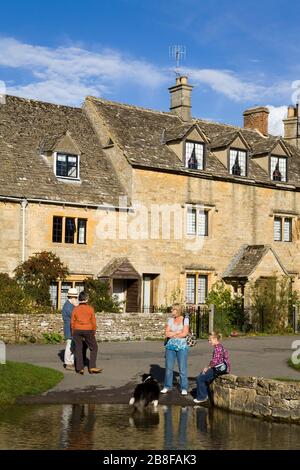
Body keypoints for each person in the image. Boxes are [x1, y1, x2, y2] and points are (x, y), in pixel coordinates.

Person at [194, 331, 231, 404]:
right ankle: (205, 393)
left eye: (210, 340)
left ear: (215, 339)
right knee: (203, 374)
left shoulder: (217, 348)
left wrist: (207, 367)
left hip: (218, 370)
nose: (209, 341)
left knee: (200, 378)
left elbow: (215, 362)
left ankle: (202, 397)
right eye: (208, 340)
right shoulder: (220, 346)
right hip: (221, 368)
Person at [71, 291, 102, 375]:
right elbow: (93, 322)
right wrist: (93, 331)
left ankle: (80, 368)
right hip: (88, 329)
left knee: (78, 348)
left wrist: (73, 331)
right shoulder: (90, 308)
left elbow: (72, 321)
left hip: (77, 330)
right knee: (94, 347)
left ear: (79, 299)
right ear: (87, 299)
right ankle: (92, 366)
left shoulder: (75, 309)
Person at [161, 303, 189, 396]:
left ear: (178, 310)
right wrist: (177, 333)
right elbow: (167, 333)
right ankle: (167, 386)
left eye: (173, 310)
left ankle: (184, 387)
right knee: (169, 368)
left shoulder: (185, 319)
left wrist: (173, 333)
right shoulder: (170, 320)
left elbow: (185, 333)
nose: (171, 311)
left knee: (182, 369)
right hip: (170, 346)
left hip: (182, 347)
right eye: (172, 310)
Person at [61, 287, 78, 371]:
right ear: (71, 297)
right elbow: (75, 316)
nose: (76, 299)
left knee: (72, 346)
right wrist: (77, 306)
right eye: (75, 297)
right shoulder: (68, 306)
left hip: (72, 328)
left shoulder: (70, 305)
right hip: (69, 328)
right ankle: (68, 363)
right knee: (69, 345)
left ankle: (71, 362)